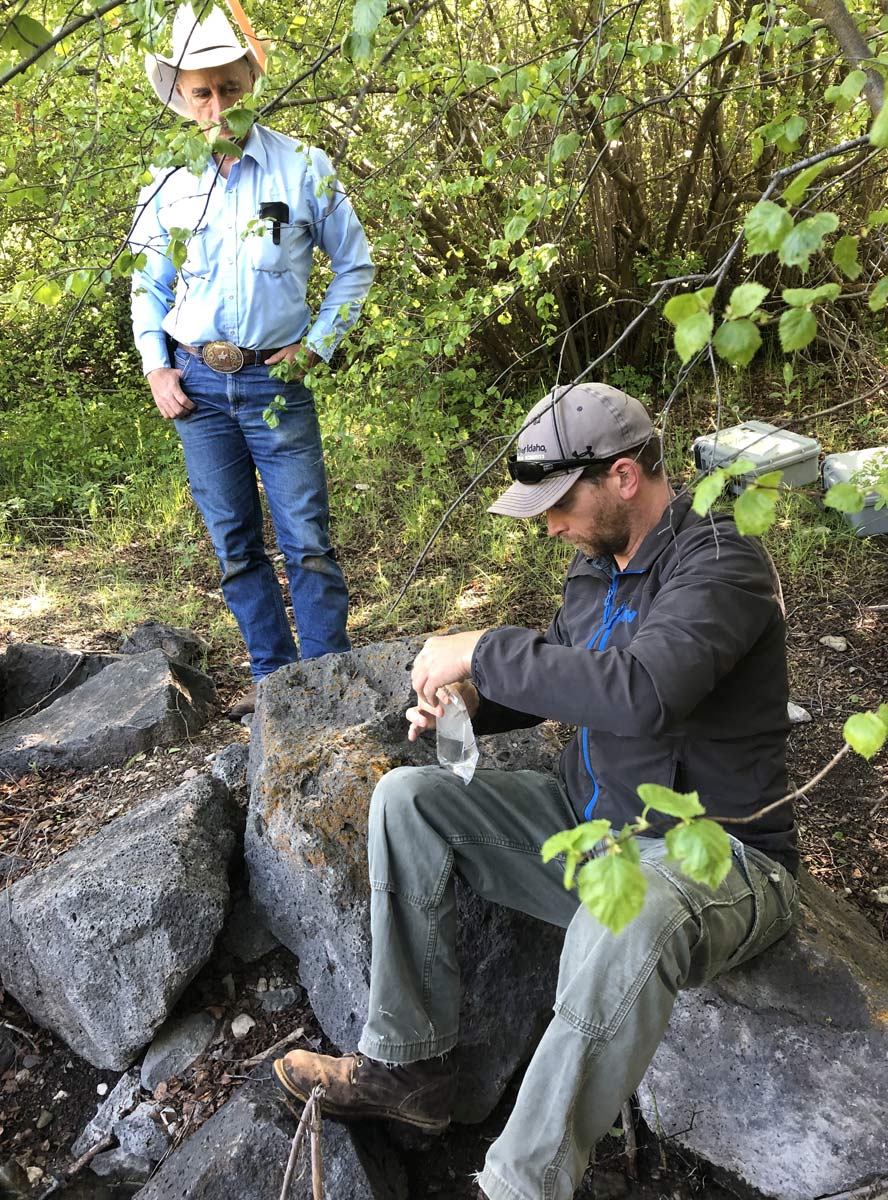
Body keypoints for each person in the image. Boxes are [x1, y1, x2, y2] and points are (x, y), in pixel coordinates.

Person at [272, 383, 799, 1200]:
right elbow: (566, 674)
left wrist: (483, 647)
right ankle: (406, 1072)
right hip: (587, 826)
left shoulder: (723, 562)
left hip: (717, 855)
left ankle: (518, 1185)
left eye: (559, 504)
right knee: (410, 802)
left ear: (623, 476)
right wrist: (471, 703)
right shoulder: (596, 570)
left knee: (633, 914)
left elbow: (643, 691)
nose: (550, 525)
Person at [129, 4, 374, 718]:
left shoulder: (303, 169)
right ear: (181, 97)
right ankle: (274, 683)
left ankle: (327, 683)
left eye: (229, 87)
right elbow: (148, 284)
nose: (217, 105)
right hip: (198, 389)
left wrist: (317, 344)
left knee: (309, 541)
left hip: (277, 381)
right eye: (201, 92)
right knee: (236, 545)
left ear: (250, 82)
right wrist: (156, 366)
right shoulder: (165, 182)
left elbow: (355, 267)